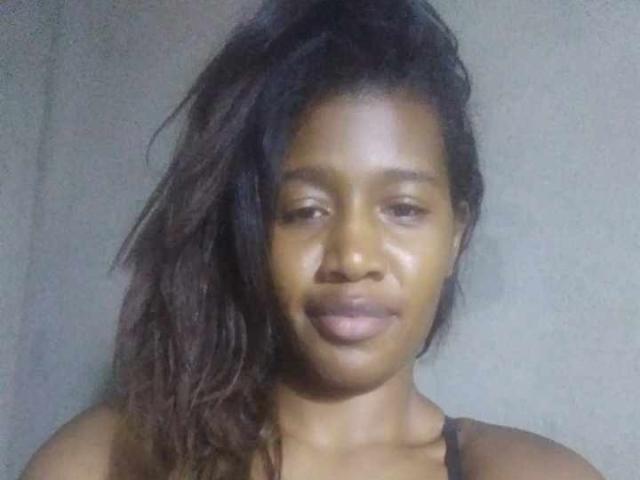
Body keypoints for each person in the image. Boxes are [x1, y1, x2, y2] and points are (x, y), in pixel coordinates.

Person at [20, 0, 606, 479]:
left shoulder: (537, 474)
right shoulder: (102, 464)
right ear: (249, 227)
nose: (352, 257)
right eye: (304, 211)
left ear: (456, 235)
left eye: (403, 209)